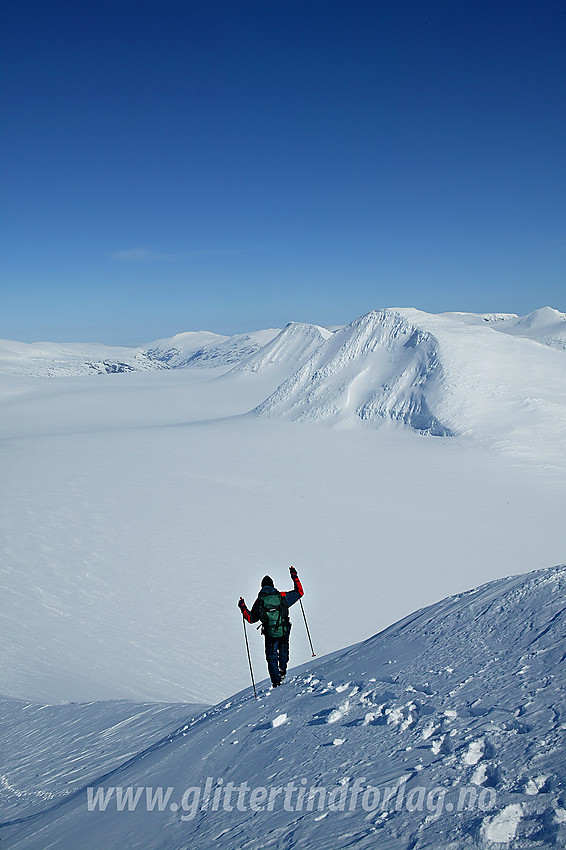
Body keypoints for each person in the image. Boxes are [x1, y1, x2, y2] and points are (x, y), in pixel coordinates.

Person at [238, 567, 304, 688]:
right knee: (284, 649)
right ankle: (282, 670)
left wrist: (242, 606)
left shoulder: (260, 601)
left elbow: (251, 619)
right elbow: (300, 592)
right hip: (284, 629)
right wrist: (294, 575)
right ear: (273, 585)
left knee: (271, 656)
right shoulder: (281, 596)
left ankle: (276, 681)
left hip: (269, 633)